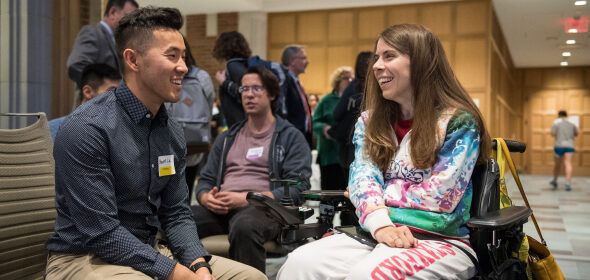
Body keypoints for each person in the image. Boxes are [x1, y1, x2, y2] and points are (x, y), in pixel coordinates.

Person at [46, 7, 265, 280]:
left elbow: (176, 212)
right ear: (133, 60)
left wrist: (199, 265)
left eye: (183, 57)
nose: (184, 67)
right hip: (84, 257)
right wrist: (176, 274)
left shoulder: (170, 129)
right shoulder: (88, 128)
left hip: (151, 249)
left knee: (250, 277)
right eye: (172, 56)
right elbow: (101, 231)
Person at [277, 23, 491, 280]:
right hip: (375, 231)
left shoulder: (459, 121)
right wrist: (378, 221)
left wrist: (369, 198)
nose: (376, 65)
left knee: (368, 276)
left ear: (422, 62)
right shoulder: (369, 121)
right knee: (298, 264)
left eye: (389, 56)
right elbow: (361, 178)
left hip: (439, 238)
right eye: (377, 57)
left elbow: (439, 198)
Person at [192, 66, 312, 273]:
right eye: (244, 89)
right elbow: (205, 180)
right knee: (175, 219)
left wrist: (249, 198)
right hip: (222, 209)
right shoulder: (227, 137)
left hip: (266, 210)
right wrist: (205, 198)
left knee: (245, 226)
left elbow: (299, 188)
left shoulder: (290, 136)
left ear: (272, 94)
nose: (248, 94)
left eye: (256, 89)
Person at [167, 36, 215, 201]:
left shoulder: (164, 75)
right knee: (185, 194)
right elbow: (208, 108)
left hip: (167, 145)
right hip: (195, 141)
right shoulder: (202, 77)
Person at [67, 0, 138, 87]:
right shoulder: (93, 32)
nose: (131, 25)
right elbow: (76, 65)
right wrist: (102, 88)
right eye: (128, 18)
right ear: (113, 12)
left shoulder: (118, 41)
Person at [312, 67, 353, 214]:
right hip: (329, 155)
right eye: (346, 78)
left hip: (347, 156)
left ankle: (347, 227)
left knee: (348, 195)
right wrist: (325, 129)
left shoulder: (352, 99)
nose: (350, 81)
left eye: (351, 78)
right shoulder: (326, 100)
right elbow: (315, 121)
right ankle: (325, 226)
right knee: (328, 195)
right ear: (338, 81)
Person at [328, 51, 373, 177]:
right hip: (370, 140)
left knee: (353, 180)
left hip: (351, 140)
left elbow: (336, 114)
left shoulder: (353, 87)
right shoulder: (378, 87)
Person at [49, 63, 121, 140]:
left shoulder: (118, 132)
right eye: (111, 91)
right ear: (88, 92)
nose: (118, 97)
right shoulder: (52, 131)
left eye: (120, 92)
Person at [212, 31, 252, 127]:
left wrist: (224, 82)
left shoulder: (233, 66)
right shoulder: (243, 64)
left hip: (240, 124)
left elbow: (244, 90)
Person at [281, 45, 313, 147]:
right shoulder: (284, 81)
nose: (307, 62)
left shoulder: (296, 82)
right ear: (292, 61)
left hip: (302, 136)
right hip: (292, 138)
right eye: (303, 58)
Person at [550, 110, 578, 191]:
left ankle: (555, 180)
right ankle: (568, 183)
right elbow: (576, 133)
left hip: (559, 146)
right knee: (568, 163)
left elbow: (552, 133)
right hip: (569, 146)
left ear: (559, 115)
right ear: (566, 115)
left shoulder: (556, 122)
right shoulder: (572, 123)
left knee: (557, 164)